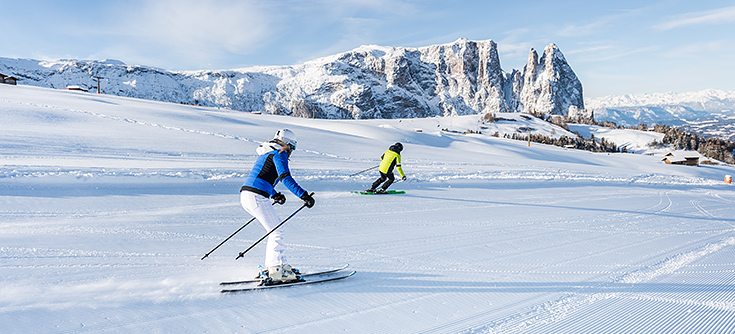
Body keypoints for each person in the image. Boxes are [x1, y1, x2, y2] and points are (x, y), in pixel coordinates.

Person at [240, 129, 315, 283]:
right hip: (256, 196)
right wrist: (303, 195)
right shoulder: (280, 153)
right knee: (277, 230)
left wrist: (274, 194)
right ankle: (276, 269)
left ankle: (279, 265)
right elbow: (285, 177)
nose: (291, 152)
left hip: (247, 195)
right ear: (288, 145)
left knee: (275, 229)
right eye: (292, 148)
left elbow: (262, 176)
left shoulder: (267, 152)